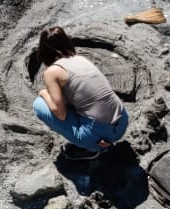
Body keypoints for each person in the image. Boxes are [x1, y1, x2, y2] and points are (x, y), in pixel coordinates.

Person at [27, 26, 129, 161]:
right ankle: (96, 139)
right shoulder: (81, 59)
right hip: (122, 121)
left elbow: (61, 114)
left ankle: (88, 148)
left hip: (100, 136)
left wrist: (43, 93)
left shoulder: (51, 72)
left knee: (39, 104)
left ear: (44, 50)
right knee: (78, 100)